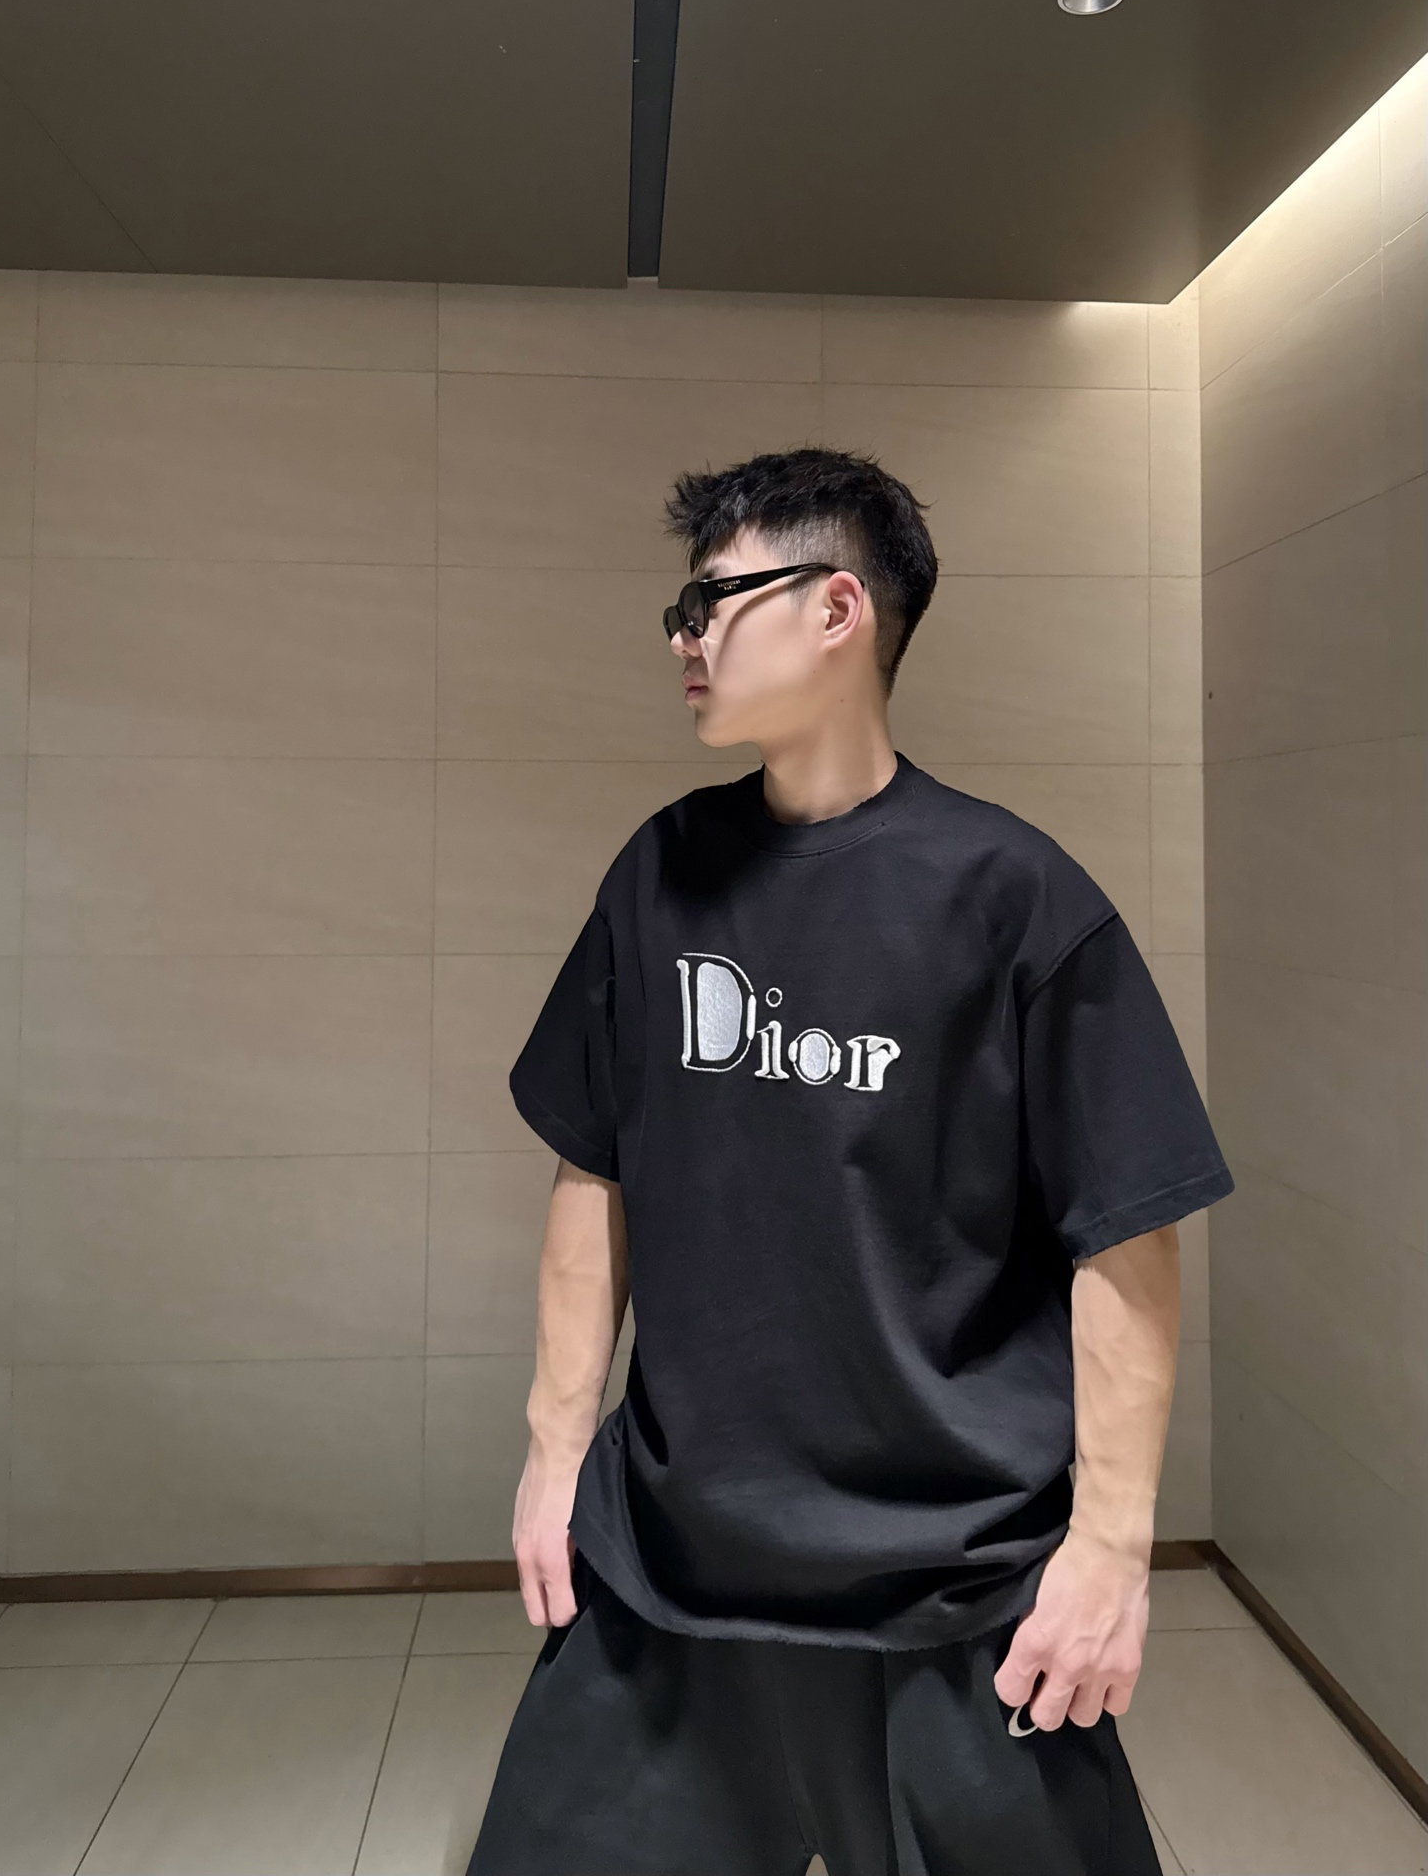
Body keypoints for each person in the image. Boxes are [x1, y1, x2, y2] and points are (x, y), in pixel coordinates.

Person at [463, 445, 1233, 1876]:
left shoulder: (1015, 897)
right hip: (677, 1569)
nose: (683, 638)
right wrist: (554, 1454)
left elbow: (1126, 1231)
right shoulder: (658, 875)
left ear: (836, 609)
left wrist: (1113, 1549)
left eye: (710, 600)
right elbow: (592, 1173)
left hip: (958, 1587)